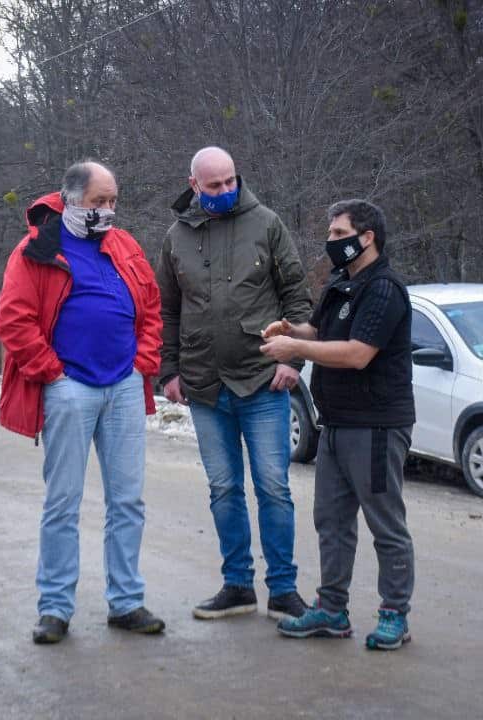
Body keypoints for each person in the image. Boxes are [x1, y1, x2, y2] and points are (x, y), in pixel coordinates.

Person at [0, 160, 165, 644]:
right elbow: (14, 321)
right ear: (70, 200)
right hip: (69, 388)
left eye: (113, 201)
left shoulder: (124, 244)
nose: (107, 211)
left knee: (127, 500)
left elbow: (151, 306)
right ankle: (54, 608)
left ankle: (127, 601)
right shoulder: (36, 251)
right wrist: (53, 373)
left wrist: (143, 361)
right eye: (98, 202)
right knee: (63, 502)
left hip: (125, 386)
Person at [155, 146, 312, 621]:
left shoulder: (266, 223)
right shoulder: (176, 237)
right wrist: (169, 371)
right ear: (194, 183)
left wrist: (295, 360)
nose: (225, 191)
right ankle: (237, 585)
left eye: (230, 181)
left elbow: (297, 297)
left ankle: (283, 589)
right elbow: (167, 310)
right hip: (204, 385)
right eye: (214, 185)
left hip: (264, 380)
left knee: (273, 488)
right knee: (224, 489)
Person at [260, 198, 416, 651]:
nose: (330, 243)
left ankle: (394, 615)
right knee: (331, 520)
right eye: (330, 234)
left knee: (385, 524)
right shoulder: (341, 282)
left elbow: (356, 353)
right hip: (336, 424)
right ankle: (331, 609)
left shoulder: (384, 289)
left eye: (338, 234)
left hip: (376, 427)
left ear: (367, 238)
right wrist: (290, 329)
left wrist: (295, 350)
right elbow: (321, 331)